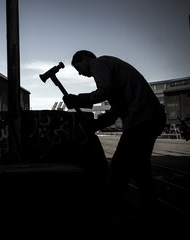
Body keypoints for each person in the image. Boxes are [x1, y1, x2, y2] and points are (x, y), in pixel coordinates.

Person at [63, 50, 166, 222]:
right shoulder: (113, 69)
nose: (80, 73)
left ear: (86, 58)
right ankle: (151, 209)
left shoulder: (99, 63)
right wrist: (97, 124)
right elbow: (116, 109)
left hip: (141, 120)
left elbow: (104, 91)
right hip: (150, 118)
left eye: (78, 67)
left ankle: (110, 211)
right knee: (140, 168)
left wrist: (79, 99)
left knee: (119, 168)